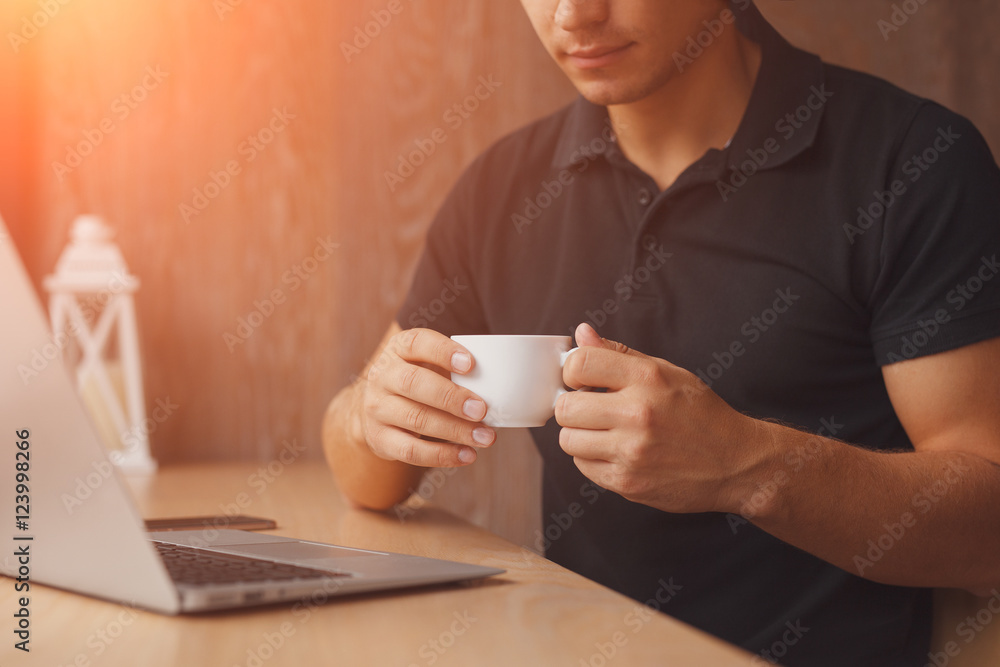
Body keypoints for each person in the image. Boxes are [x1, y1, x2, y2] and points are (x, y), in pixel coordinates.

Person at [323, 1, 1000, 664]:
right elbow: (369, 477)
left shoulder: (912, 163)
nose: (575, 14)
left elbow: (989, 528)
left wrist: (747, 466)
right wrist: (364, 417)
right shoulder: (502, 189)